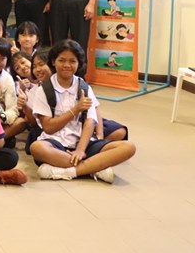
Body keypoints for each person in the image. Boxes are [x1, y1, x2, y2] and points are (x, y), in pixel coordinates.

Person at [29, 40, 136, 182]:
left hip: (83, 143)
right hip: (55, 143)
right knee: (36, 148)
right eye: (62, 60)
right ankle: (95, 167)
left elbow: (90, 121)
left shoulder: (84, 87)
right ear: (54, 62)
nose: (67, 65)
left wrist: (80, 150)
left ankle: (70, 171)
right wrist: (75, 109)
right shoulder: (44, 89)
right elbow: (48, 127)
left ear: (78, 63)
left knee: (128, 147)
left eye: (72, 61)